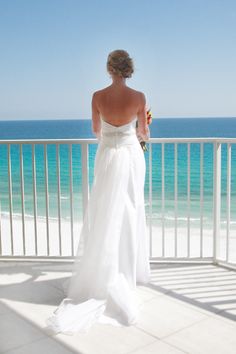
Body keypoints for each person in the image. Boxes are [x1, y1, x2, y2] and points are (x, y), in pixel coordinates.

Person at [46, 49, 151, 335]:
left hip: (107, 157)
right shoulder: (139, 98)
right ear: (128, 69)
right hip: (130, 158)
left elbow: (96, 131)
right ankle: (124, 274)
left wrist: (112, 133)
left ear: (108, 68)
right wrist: (143, 128)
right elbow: (144, 134)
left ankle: (101, 272)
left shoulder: (97, 97)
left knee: (104, 212)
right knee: (128, 212)